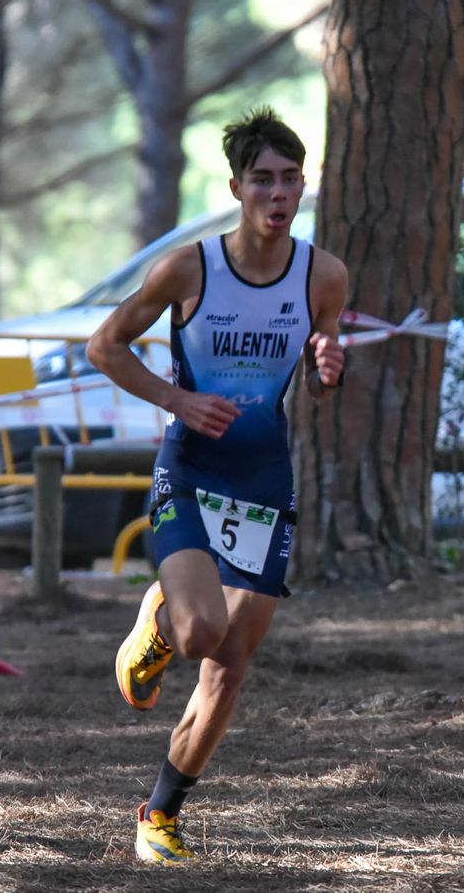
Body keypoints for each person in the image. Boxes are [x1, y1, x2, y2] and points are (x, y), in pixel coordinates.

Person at [88, 106, 346, 865]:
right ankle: (159, 620)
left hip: (265, 478)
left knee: (231, 665)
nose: (277, 192)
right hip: (192, 471)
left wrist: (331, 373)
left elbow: (321, 371)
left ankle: (159, 815)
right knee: (199, 631)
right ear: (235, 187)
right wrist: (178, 401)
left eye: (290, 179)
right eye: (262, 179)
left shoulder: (321, 275)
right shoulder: (189, 268)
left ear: (303, 188)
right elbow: (105, 346)